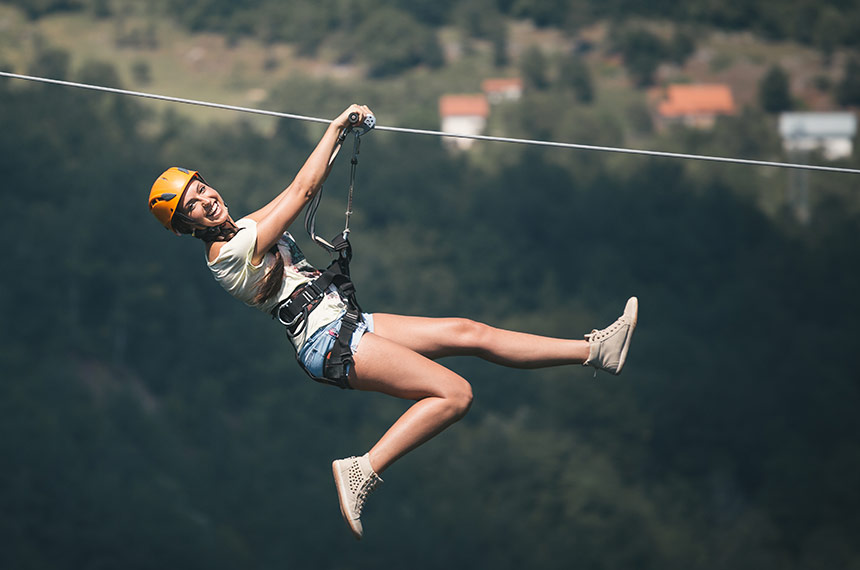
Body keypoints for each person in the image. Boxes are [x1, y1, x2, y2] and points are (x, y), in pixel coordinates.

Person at [147, 104, 638, 540]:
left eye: (201, 188)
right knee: (455, 394)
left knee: (470, 332)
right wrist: (336, 124)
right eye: (192, 204)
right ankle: (362, 469)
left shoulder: (243, 227)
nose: (206, 199)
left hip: (346, 322)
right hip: (328, 341)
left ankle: (595, 351)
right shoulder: (227, 252)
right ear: (186, 226)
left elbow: (291, 194)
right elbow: (301, 190)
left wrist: (342, 138)